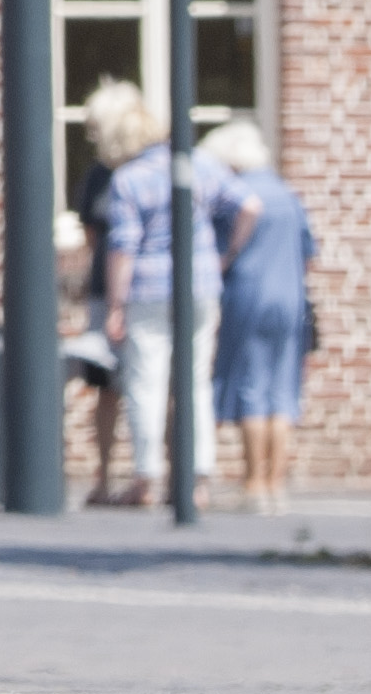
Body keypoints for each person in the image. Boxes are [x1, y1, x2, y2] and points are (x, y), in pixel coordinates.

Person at [83, 78, 203, 506]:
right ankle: (112, 476)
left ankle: (161, 478)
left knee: (154, 383)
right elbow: (93, 235)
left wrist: (117, 300)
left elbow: (120, 243)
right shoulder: (103, 172)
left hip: (138, 291)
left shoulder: (135, 174)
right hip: (126, 291)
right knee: (114, 386)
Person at [204, 113, 316, 512]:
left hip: (248, 295)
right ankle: (275, 482)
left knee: (251, 387)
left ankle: (252, 484)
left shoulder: (236, 197)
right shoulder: (286, 194)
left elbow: (217, 250)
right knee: (282, 389)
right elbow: (308, 252)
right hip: (290, 298)